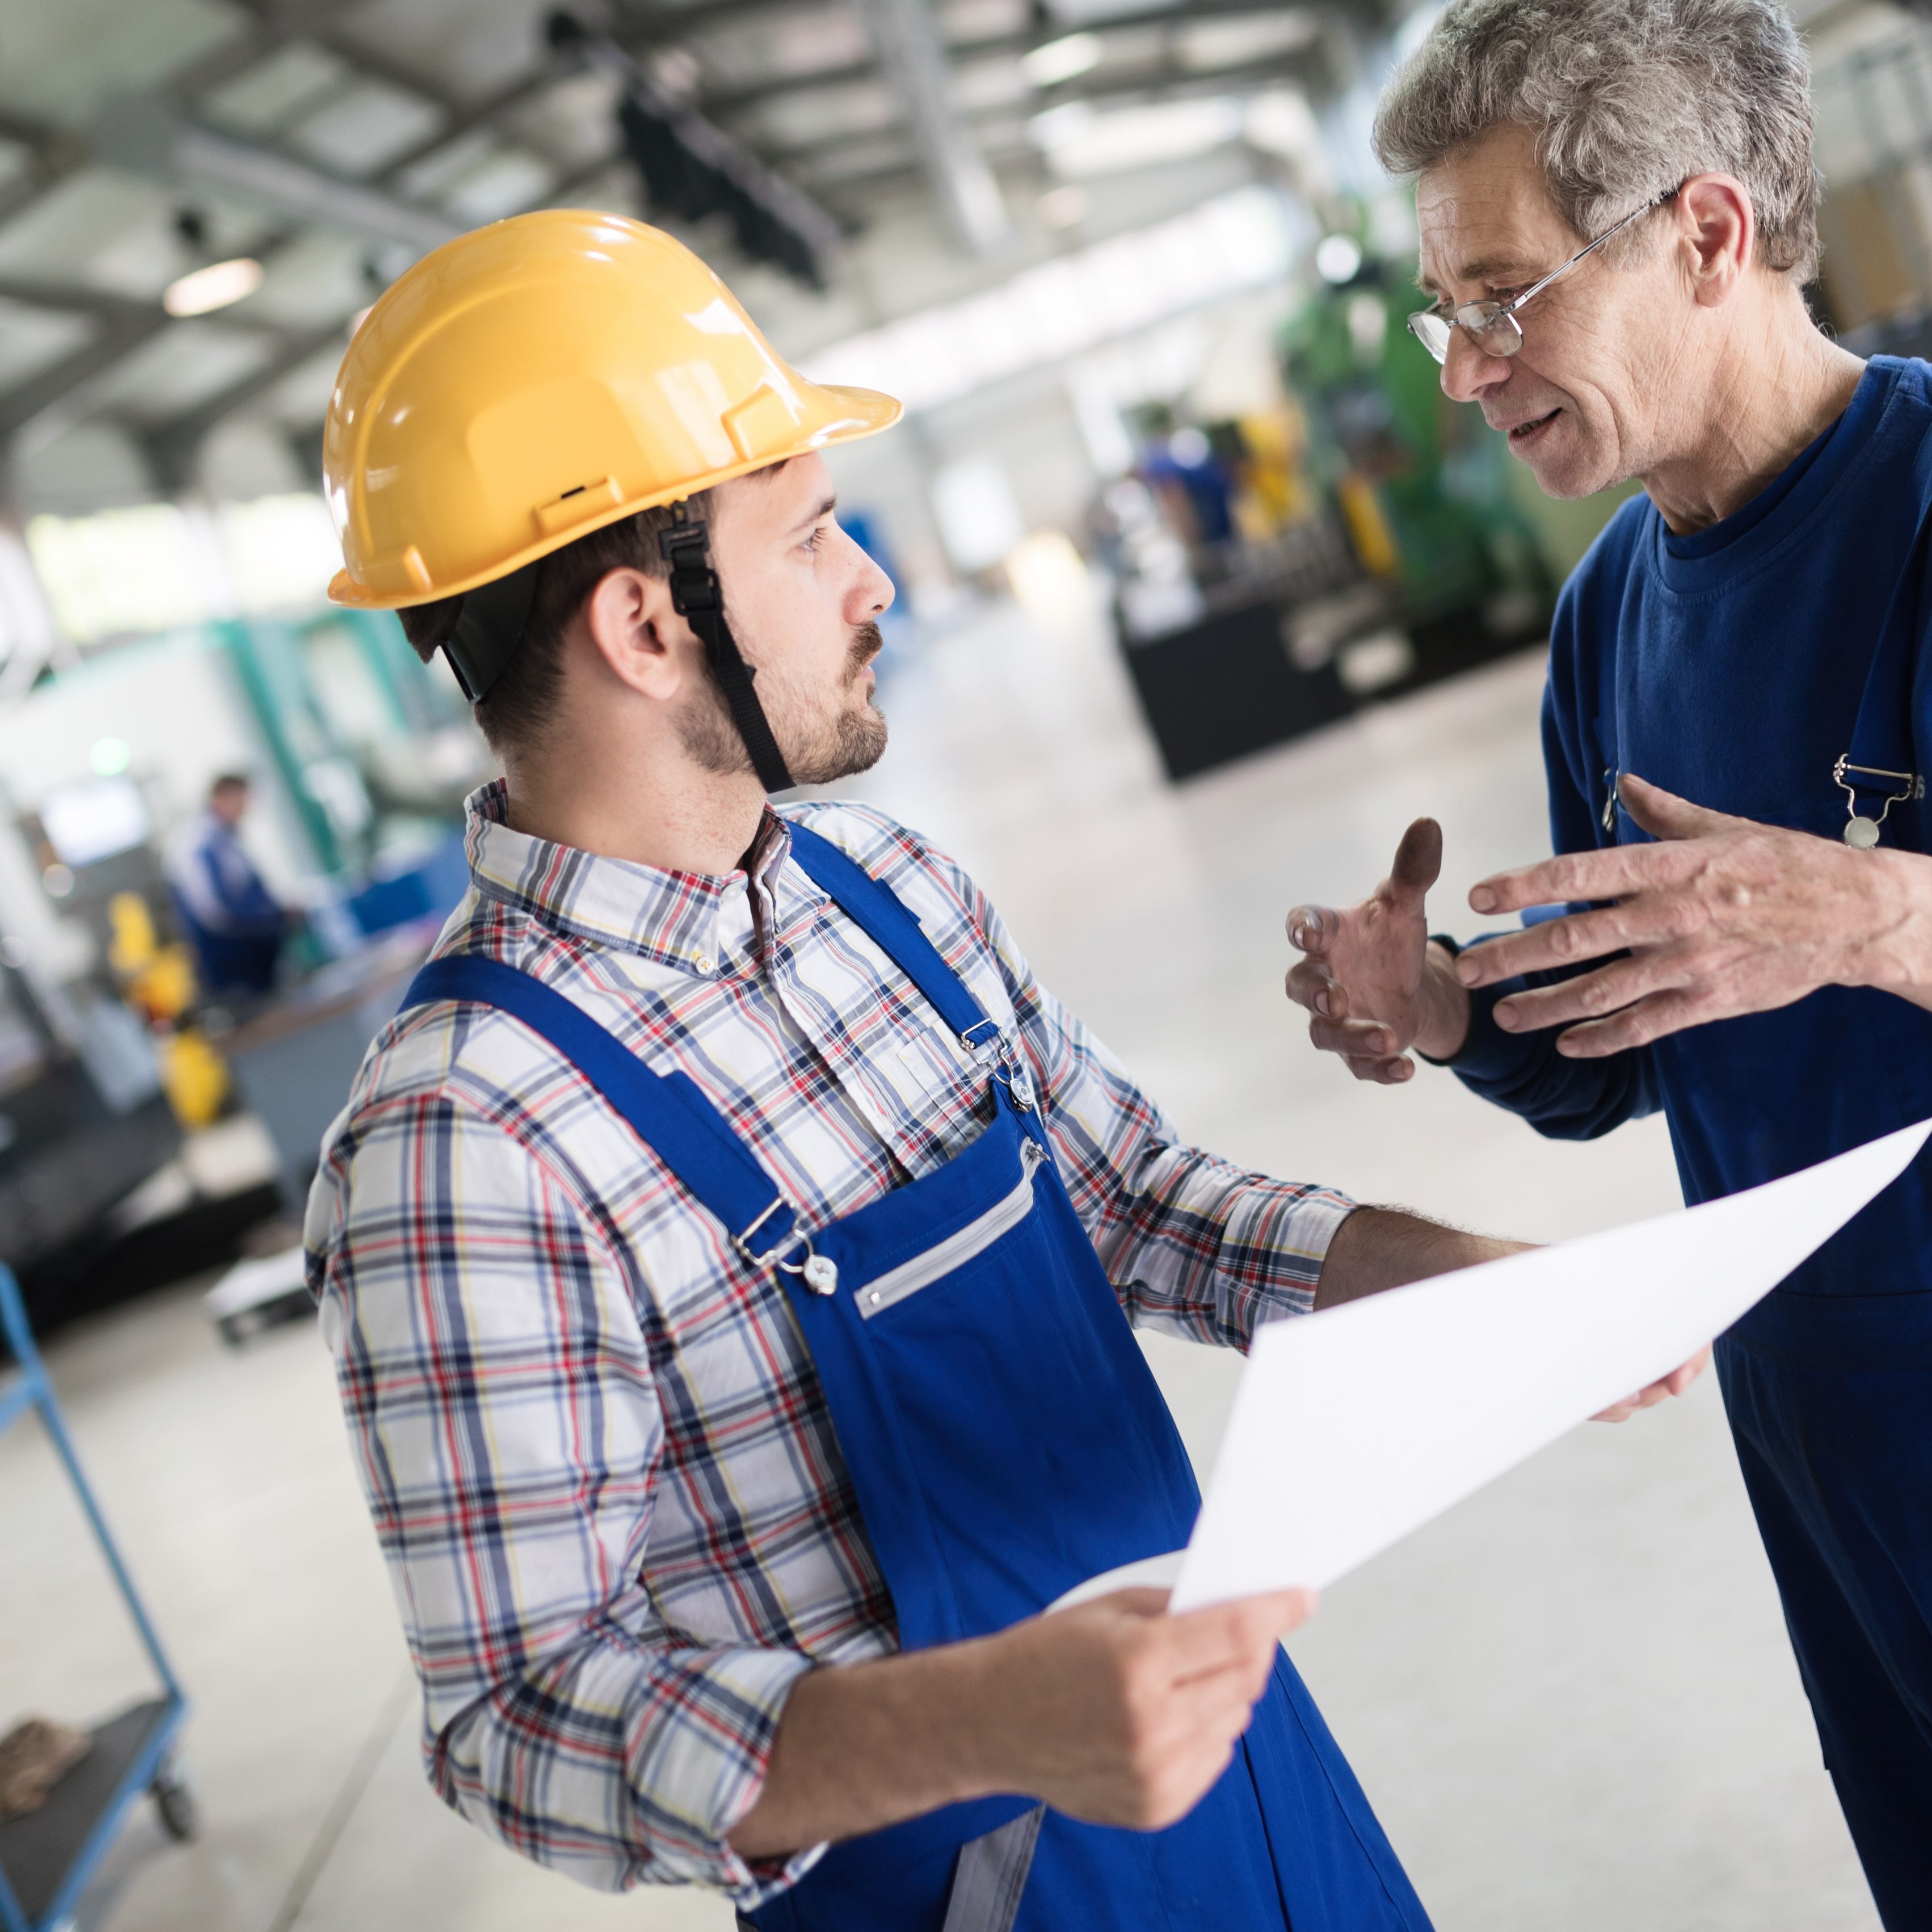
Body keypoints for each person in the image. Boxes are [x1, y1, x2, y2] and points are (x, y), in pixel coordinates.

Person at [305, 213, 1696, 1931]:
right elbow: (517, 1716)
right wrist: (987, 1718)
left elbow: (1131, 1202)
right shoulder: (464, 1140)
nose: (870, 580)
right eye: (812, 537)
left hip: (1233, 1780)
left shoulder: (883, 892)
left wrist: (1441, 1284)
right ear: (647, 625)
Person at [1283, 2, 1932, 1923]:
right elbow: (1616, 1046)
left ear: (1706, 236)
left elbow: (1834, 932)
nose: (1463, 373)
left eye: (1502, 294)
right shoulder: (1603, 622)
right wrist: (1446, 1006)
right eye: (1437, 308)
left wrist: (1878, 914)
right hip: (1823, 1450)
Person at [163, 773, 286, 995]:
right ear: (220, 798)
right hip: (232, 962)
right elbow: (214, 911)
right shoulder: (199, 843)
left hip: (252, 953)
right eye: (240, 800)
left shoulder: (225, 838)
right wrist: (268, 918)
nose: (245, 807)